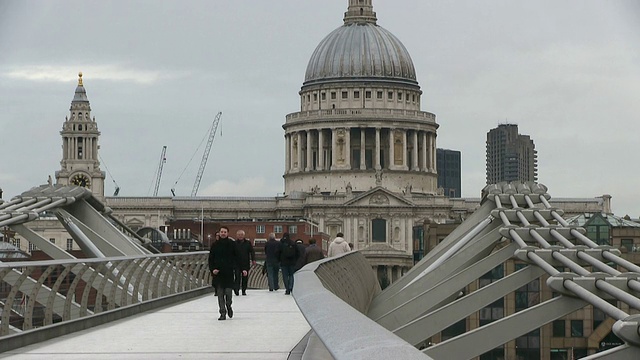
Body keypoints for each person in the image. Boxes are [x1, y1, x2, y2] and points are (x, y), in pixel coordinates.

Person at [208, 226, 245, 321]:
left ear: (227, 233)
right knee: (220, 295)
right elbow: (210, 259)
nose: (223, 233)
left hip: (228, 272)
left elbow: (238, 257)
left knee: (228, 293)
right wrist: (212, 269)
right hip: (218, 273)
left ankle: (229, 306)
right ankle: (222, 313)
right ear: (219, 233)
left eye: (225, 232)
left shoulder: (232, 244)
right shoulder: (214, 245)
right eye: (221, 232)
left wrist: (243, 269)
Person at [234, 230, 256, 296]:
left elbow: (252, 251)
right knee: (237, 277)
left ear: (244, 235)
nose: (240, 236)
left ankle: (244, 290)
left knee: (245, 277)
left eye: (241, 235)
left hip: (245, 263)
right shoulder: (234, 243)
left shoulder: (248, 243)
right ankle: (236, 289)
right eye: (239, 235)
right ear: (237, 235)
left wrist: (253, 259)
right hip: (236, 263)